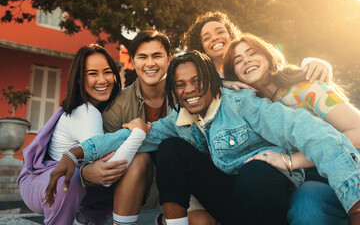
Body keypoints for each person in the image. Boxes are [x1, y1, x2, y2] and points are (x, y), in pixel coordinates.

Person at [46, 51, 360, 225]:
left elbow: (311, 132)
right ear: (174, 91)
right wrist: (74, 154)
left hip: (267, 195)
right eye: (181, 84)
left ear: (212, 80)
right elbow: (126, 137)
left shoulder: (243, 103)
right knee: (169, 148)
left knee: (253, 171)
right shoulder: (178, 120)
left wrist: (355, 203)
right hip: (230, 202)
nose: (190, 90)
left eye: (197, 81)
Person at [79, 30, 215, 225]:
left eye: (157, 56)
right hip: (137, 184)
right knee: (138, 157)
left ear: (169, 59)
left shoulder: (188, 94)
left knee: (203, 223)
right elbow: (107, 155)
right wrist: (84, 171)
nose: (150, 63)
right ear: (133, 61)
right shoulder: (117, 106)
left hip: (184, 182)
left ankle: (164, 220)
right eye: (143, 57)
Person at [222, 33, 360, 224]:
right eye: (238, 61)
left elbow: (358, 131)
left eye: (252, 53)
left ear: (268, 55)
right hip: (309, 184)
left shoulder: (305, 86)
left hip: (349, 166)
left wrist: (291, 161)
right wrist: (225, 83)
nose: (246, 61)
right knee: (306, 206)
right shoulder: (251, 109)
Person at [18, 44, 151, 225]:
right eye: (93, 74)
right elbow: (107, 170)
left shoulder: (103, 109)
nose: (102, 80)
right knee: (73, 180)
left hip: (64, 181)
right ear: (80, 79)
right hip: (46, 182)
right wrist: (136, 133)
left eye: (107, 72)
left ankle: (85, 218)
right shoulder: (86, 112)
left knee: (126, 177)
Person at [182, 11, 333, 88]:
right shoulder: (205, 78)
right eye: (207, 38)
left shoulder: (252, 62)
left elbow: (281, 70)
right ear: (202, 48)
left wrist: (314, 63)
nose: (215, 38)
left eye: (220, 32)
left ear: (231, 35)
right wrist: (223, 85)